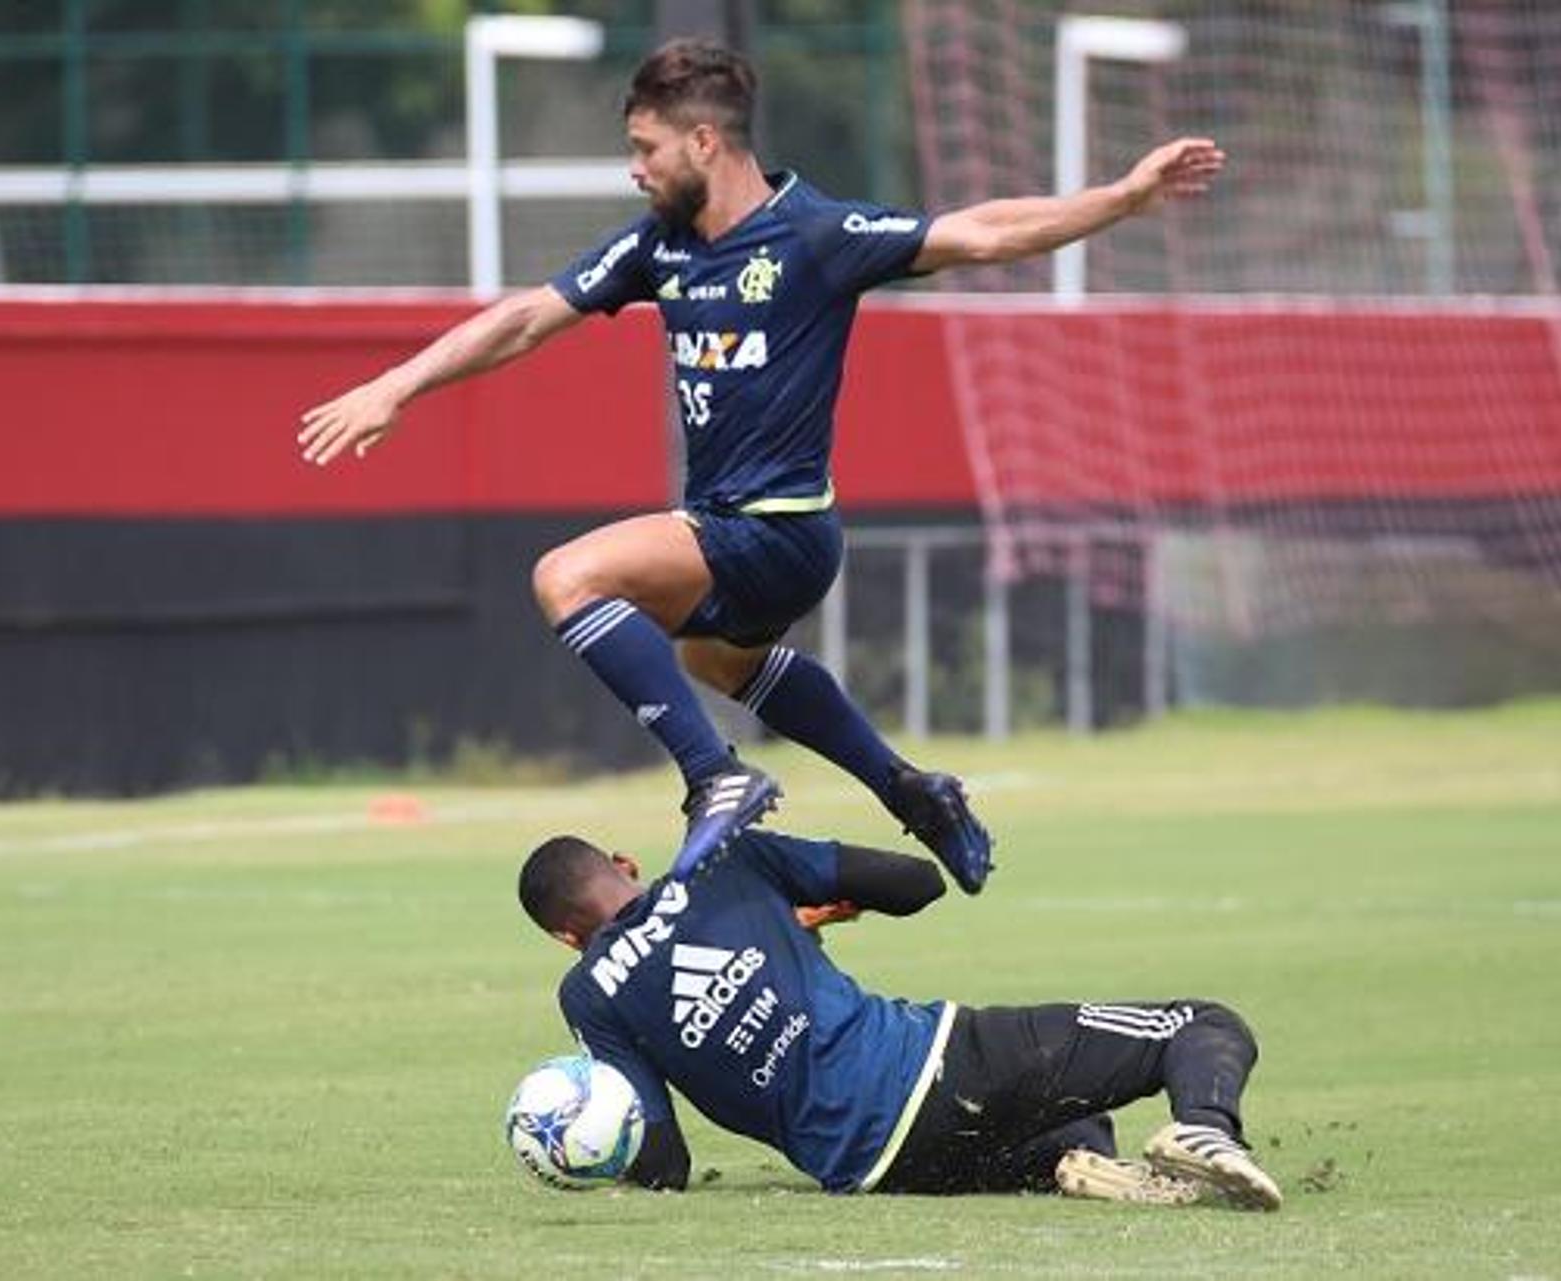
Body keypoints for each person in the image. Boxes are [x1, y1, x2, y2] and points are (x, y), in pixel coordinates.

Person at [300, 39, 1225, 888]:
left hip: (772, 528)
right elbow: (525, 319)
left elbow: (982, 231)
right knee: (712, 655)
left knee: (566, 577)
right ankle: (912, 792)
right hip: (746, 538)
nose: (635, 167)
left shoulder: (814, 235)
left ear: (703, 141)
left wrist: (1122, 198)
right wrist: (398, 384)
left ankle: (716, 778)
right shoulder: (660, 247)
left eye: (646, 147)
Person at [515, 829, 1283, 1209]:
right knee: (1201, 1024)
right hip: (940, 1067)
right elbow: (916, 883)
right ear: (624, 864)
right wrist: (789, 909)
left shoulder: (588, 994)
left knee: (1070, 1122)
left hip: (872, 1169)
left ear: (564, 938)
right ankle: (1207, 1128)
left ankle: (1064, 1163)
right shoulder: (725, 861)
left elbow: (664, 1163)